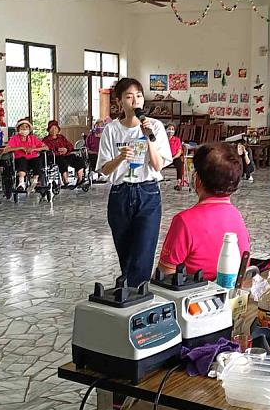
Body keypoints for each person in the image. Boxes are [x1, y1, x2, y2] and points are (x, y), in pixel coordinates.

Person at [98, 77, 172, 288]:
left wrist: (147, 137)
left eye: (138, 96)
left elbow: (158, 166)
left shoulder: (155, 126)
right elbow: (104, 169)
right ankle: (131, 291)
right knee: (126, 251)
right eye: (129, 97)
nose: (135, 101)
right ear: (119, 101)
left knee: (144, 249)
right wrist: (121, 157)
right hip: (120, 194)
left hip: (148, 193)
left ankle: (134, 294)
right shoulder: (111, 130)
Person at [158, 142, 250, 280]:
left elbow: (165, 274)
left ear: (197, 180)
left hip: (195, 297)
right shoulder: (237, 216)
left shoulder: (184, 221)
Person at [3, 119, 47, 191]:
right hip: (20, 160)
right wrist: (20, 148)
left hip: (32, 159)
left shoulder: (33, 138)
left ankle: (35, 181)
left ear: (29, 129)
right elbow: (5, 150)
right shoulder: (14, 138)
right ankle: (21, 183)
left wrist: (34, 149)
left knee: (38, 159)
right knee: (22, 160)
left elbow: (46, 147)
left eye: (26, 127)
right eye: (22, 127)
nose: (24, 129)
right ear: (18, 129)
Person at [43, 120, 85, 188]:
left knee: (78, 159)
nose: (54, 130)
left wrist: (66, 149)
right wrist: (58, 150)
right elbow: (47, 149)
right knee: (61, 161)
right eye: (52, 128)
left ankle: (80, 179)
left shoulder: (61, 137)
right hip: (55, 157)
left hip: (66, 154)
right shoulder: (46, 139)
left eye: (55, 128)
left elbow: (70, 145)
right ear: (49, 130)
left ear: (58, 129)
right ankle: (66, 181)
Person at [165, 124, 186, 190]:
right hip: (165, 157)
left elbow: (179, 152)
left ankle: (178, 183)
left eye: (172, 129)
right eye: (169, 129)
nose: (171, 131)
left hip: (174, 157)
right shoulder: (163, 139)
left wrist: (173, 158)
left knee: (180, 164)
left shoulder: (177, 140)